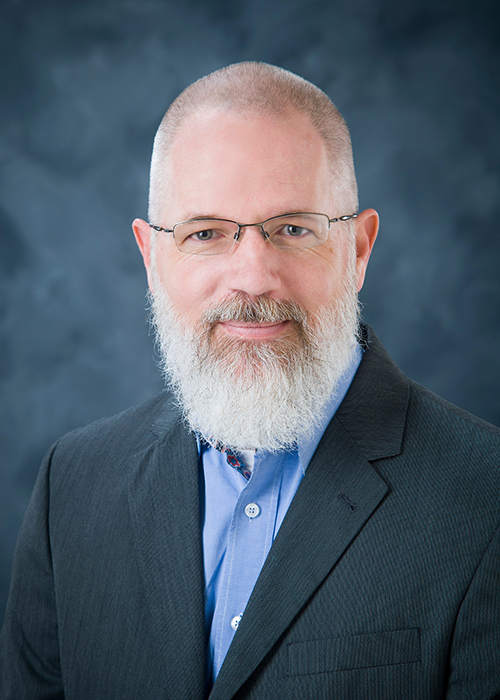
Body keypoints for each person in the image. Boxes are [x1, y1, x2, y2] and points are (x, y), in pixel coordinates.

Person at [1, 62, 499, 700]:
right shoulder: (71, 487)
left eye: (293, 229)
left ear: (360, 251)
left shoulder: (486, 502)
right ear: (151, 259)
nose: (253, 277)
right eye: (205, 233)